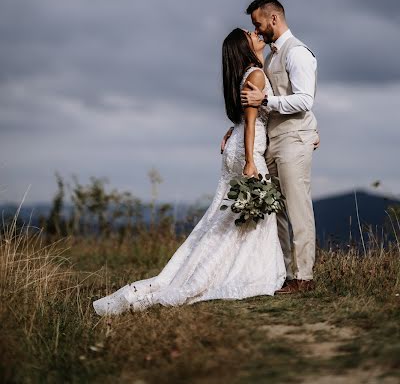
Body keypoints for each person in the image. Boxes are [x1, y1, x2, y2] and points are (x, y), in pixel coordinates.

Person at [93, 28, 285, 315]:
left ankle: (211, 266)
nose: (256, 33)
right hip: (248, 149)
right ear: (243, 47)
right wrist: (250, 160)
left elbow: (244, 120)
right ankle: (238, 272)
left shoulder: (242, 75)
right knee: (246, 214)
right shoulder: (256, 74)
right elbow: (252, 121)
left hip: (236, 145)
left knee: (226, 215)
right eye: (250, 34)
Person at [238, 0, 319, 293]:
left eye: (258, 24)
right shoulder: (272, 56)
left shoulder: (297, 53)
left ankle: (304, 277)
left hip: (293, 139)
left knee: (297, 208)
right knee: (281, 211)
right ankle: (289, 274)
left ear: (273, 19)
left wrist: (267, 101)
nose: (256, 31)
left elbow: (305, 99)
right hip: (276, 140)